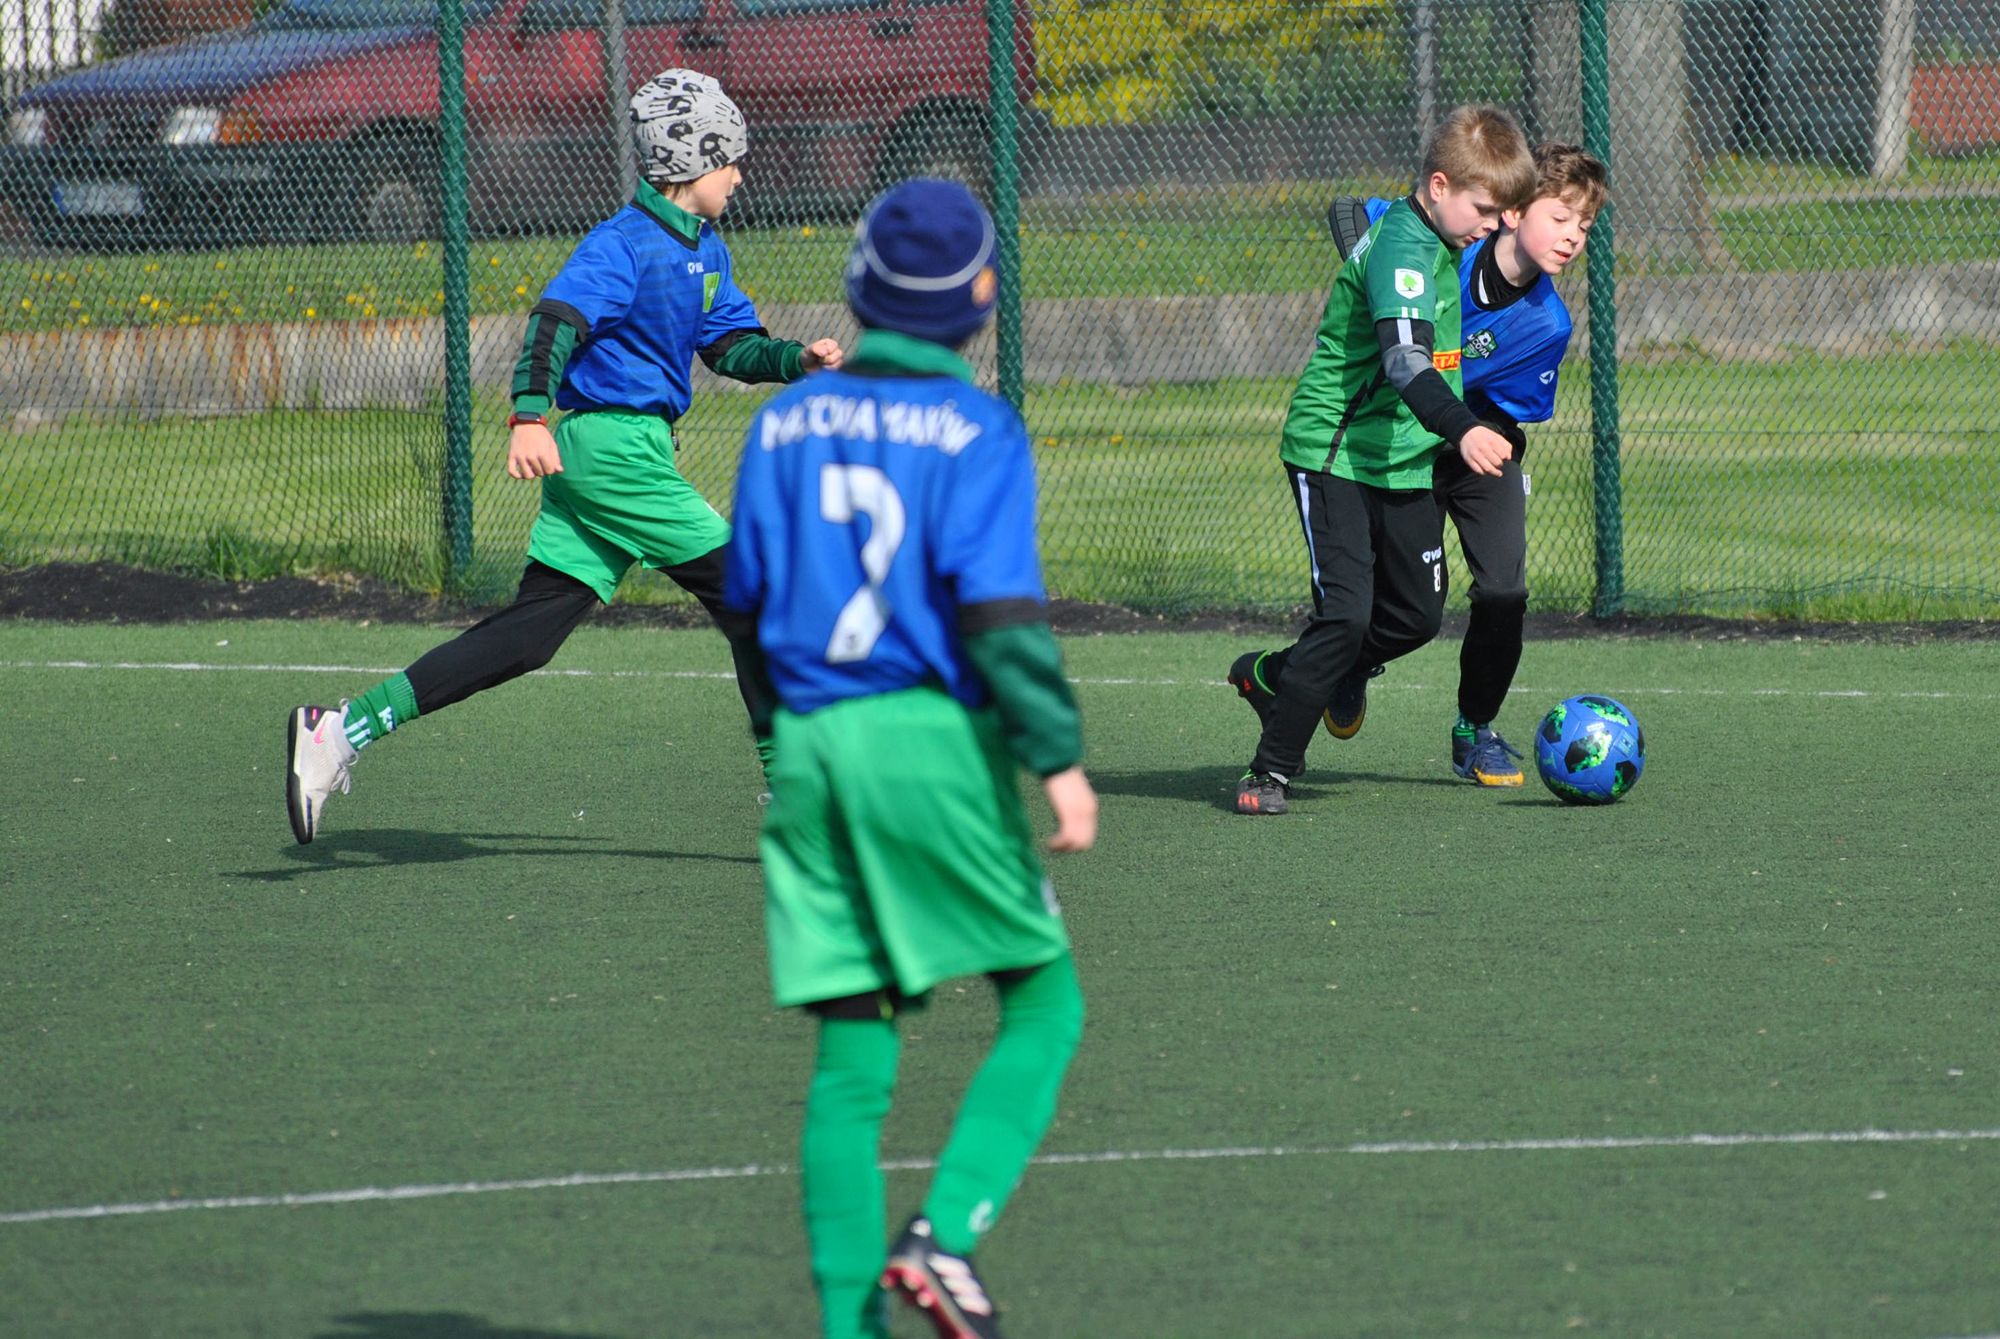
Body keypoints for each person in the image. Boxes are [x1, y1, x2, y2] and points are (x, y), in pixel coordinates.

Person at [284, 69, 842, 844]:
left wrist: (795, 362)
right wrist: (527, 417)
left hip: (618, 457)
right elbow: (555, 323)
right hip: (610, 450)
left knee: (530, 636)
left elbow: (728, 343)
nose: (740, 174)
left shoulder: (706, 248)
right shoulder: (621, 244)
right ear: (690, 160)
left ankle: (341, 730)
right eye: (730, 159)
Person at [723, 178, 1096, 1339]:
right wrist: (1058, 758)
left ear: (857, 286)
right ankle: (941, 1238)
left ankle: (848, 1329)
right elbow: (998, 612)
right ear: (981, 301)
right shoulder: (978, 429)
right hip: (929, 743)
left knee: (851, 1058)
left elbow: (745, 592)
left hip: (812, 749)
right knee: (1042, 1003)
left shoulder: (781, 420)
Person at [1240, 143, 1608, 786]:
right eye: (1562, 216)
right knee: (1380, 610)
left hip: (1476, 441)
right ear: (1513, 212)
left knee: (1504, 590)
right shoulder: (1446, 242)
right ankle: (1329, 668)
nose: (1574, 236)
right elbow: (1356, 214)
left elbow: (1506, 409)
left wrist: (1470, 434)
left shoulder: (1547, 322)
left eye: (1586, 226)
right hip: (1399, 431)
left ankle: (1475, 730)